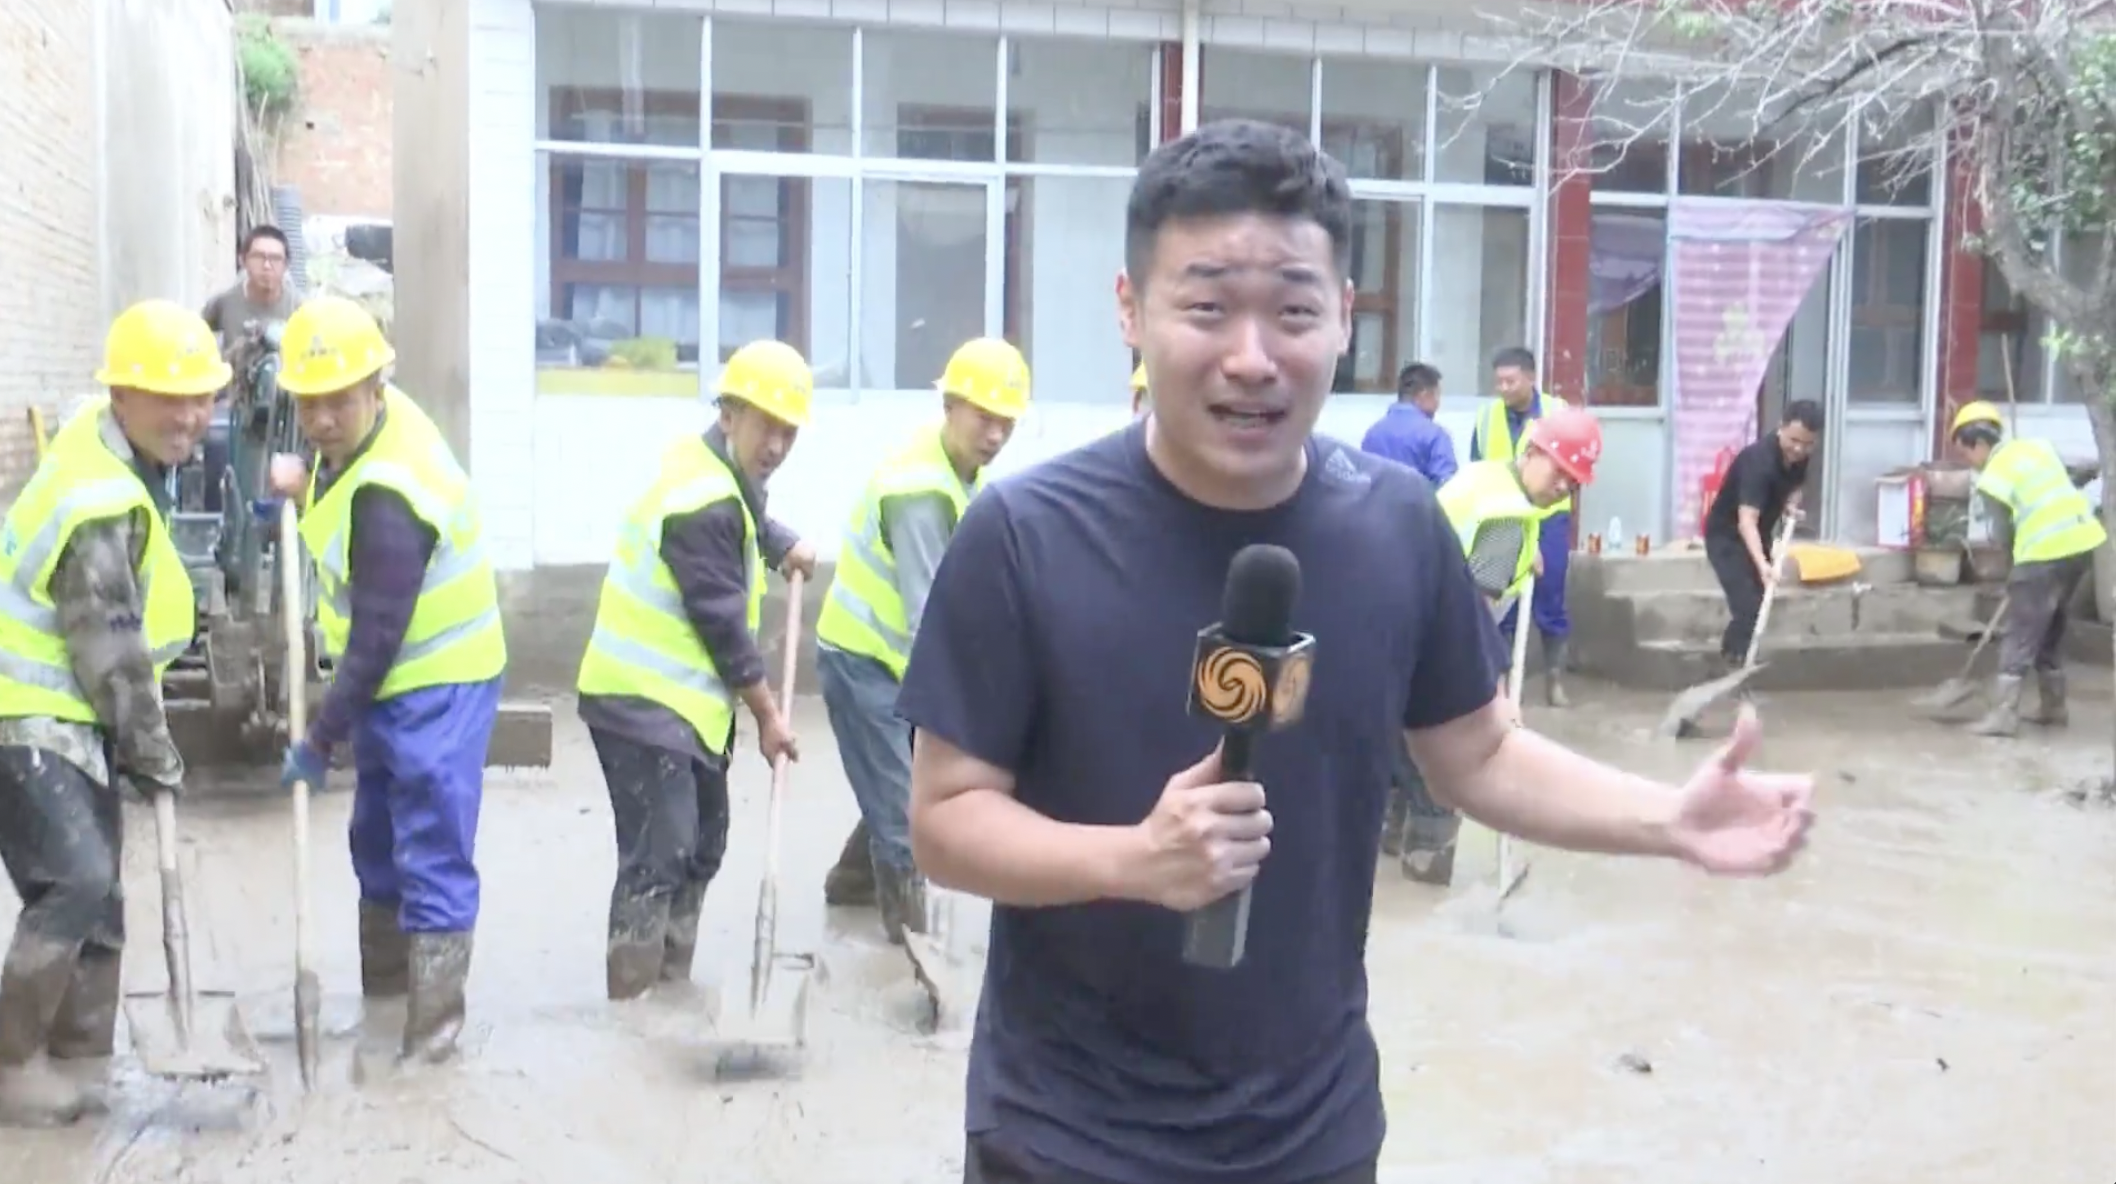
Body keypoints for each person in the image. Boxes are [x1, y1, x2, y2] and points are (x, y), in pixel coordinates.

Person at [899, 119, 1815, 1184]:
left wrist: (1667, 817)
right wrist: (1134, 860)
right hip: (1063, 1133)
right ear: (1129, 310)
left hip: (1311, 1131)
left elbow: (1476, 754)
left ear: (1342, 316)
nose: (1251, 355)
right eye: (1204, 306)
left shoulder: (1395, 525)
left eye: (1293, 309)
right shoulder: (1022, 534)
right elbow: (946, 823)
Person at [268, 296, 507, 1063]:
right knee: (375, 835)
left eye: (339, 400)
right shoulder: (368, 439)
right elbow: (344, 494)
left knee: (430, 842)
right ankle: (384, 1001)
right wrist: (307, 486)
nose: (324, 420)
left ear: (376, 384)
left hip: (441, 679)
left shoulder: (390, 497)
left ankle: (430, 1042)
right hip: (391, 679)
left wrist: (319, 738)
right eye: (309, 404)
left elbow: (374, 639)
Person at [0, 301, 220, 1126]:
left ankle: (81, 1055)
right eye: (170, 397)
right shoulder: (97, 499)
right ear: (122, 396)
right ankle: (11, 1063)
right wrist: (155, 750)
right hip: (25, 715)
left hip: (67, 718)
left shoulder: (114, 454)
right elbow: (112, 651)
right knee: (77, 879)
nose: (191, 415)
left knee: (99, 898)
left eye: (201, 396)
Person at [576, 339, 815, 1000]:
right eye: (766, 425)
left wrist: (780, 542)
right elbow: (723, 627)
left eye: (789, 432)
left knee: (706, 840)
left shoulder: (717, 472)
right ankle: (633, 1001)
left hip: (684, 707)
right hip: (638, 701)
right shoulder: (702, 497)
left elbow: (746, 515)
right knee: (661, 850)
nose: (776, 445)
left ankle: (672, 981)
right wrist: (768, 715)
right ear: (730, 414)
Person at [815, 339, 1029, 942]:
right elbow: (928, 617)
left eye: (1006, 423)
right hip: (861, 663)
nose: (994, 434)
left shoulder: (956, 471)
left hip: (888, 662)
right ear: (952, 405)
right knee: (906, 816)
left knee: (893, 780)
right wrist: (967, 709)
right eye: (984, 417)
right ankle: (912, 948)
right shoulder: (921, 492)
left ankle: (851, 885)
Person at [1393, 405, 1603, 885]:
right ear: (1533, 453)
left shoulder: (1491, 479)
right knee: (1441, 773)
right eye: (1559, 472)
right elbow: (1476, 619)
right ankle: (1427, 870)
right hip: (1424, 641)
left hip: (1398, 625)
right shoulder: (1507, 520)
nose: (1563, 488)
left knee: (1397, 754)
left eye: (1573, 483)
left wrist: (1525, 558)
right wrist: (1498, 694)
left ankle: (1390, 848)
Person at [1946, 400, 2105, 736]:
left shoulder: (1993, 478)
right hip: (2082, 545)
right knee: (2049, 627)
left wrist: (2013, 576)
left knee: (2020, 633)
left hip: (2043, 553)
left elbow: (2003, 535)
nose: (1969, 464)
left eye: (1965, 453)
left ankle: (2004, 716)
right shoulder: (2038, 448)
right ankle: (2053, 706)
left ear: (1978, 443)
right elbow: (2069, 479)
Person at [1471, 346, 1576, 707]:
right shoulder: (1487, 417)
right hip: (1503, 514)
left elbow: (1574, 471)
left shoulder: (1558, 413)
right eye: (1498, 381)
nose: (1502, 388)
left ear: (1531, 379)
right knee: (1502, 598)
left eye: (1510, 381)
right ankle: (1497, 684)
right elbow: (1478, 466)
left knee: (1551, 595)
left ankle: (1554, 679)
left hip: (1549, 516)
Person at [1703, 401, 1820, 679]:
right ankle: (1732, 664)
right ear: (1781, 427)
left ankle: (1737, 662)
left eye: (1808, 444)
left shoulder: (1799, 456)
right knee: (1749, 606)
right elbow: (1746, 521)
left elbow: (1795, 484)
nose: (1799, 449)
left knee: (1759, 603)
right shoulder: (1759, 462)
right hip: (1727, 537)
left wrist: (1791, 503)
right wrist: (1763, 564)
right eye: (1794, 441)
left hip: (1759, 533)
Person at [1358, 362, 1456, 488]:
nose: (1438, 404)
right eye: (1437, 395)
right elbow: (1448, 487)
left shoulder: (1372, 434)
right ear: (1424, 395)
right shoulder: (1435, 435)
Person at [201, 225, 301, 342]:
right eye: (258, 257)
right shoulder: (223, 303)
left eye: (275, 258)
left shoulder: (300, 309)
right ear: (242, 260)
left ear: (286, 265)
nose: (267, 266)